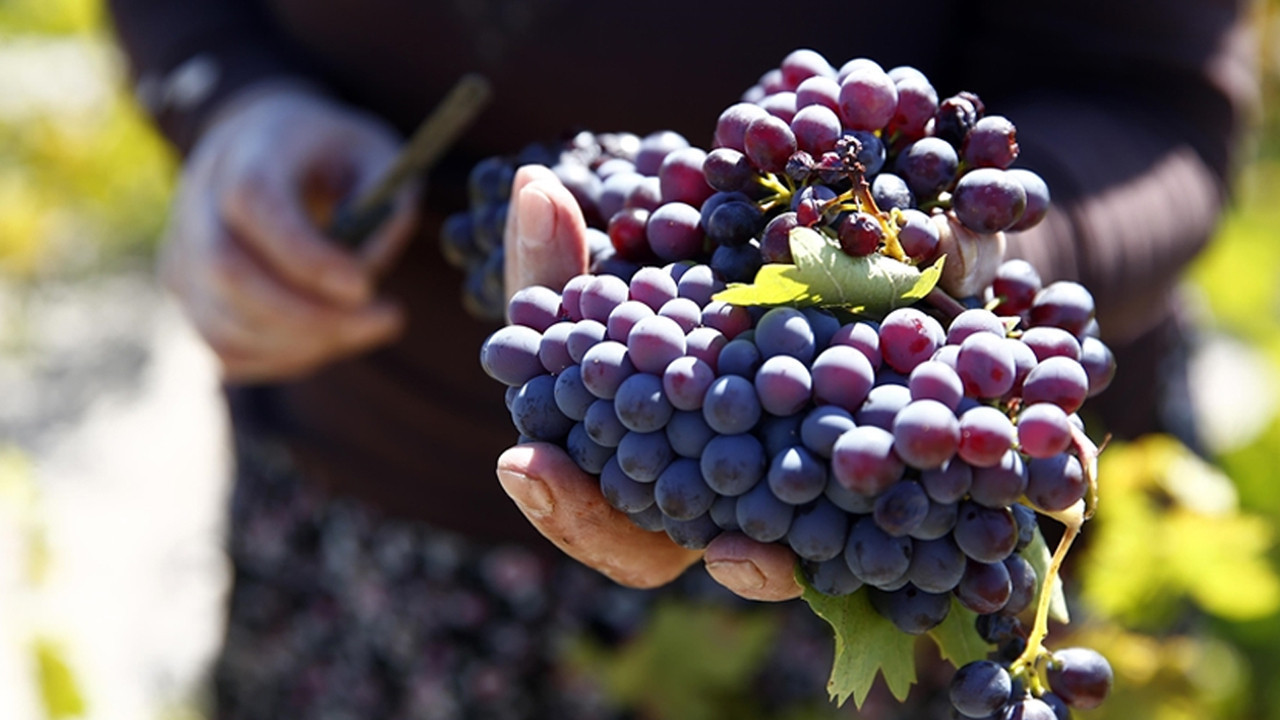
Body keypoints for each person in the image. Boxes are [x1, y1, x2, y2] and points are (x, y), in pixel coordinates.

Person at [107, 1, 1257, 717]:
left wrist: (953, 261)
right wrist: (226, 96)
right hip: (387, 515)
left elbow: (1150, 96)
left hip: (931, 534)